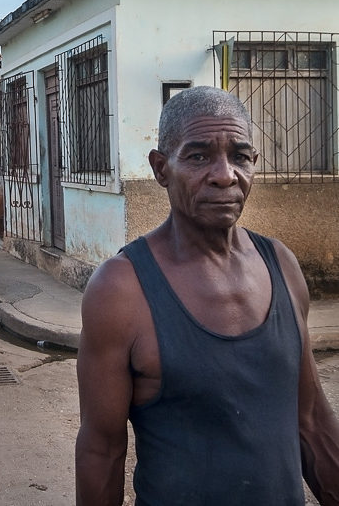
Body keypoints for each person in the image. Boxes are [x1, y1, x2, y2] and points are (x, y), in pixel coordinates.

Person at [75, 86, 339, 505]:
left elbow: (311, 422)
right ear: (162, 169)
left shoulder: (282, 266)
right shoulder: (121, 290)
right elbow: (101, 450)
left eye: (240, 156)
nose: (224, 174)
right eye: (198, 156)